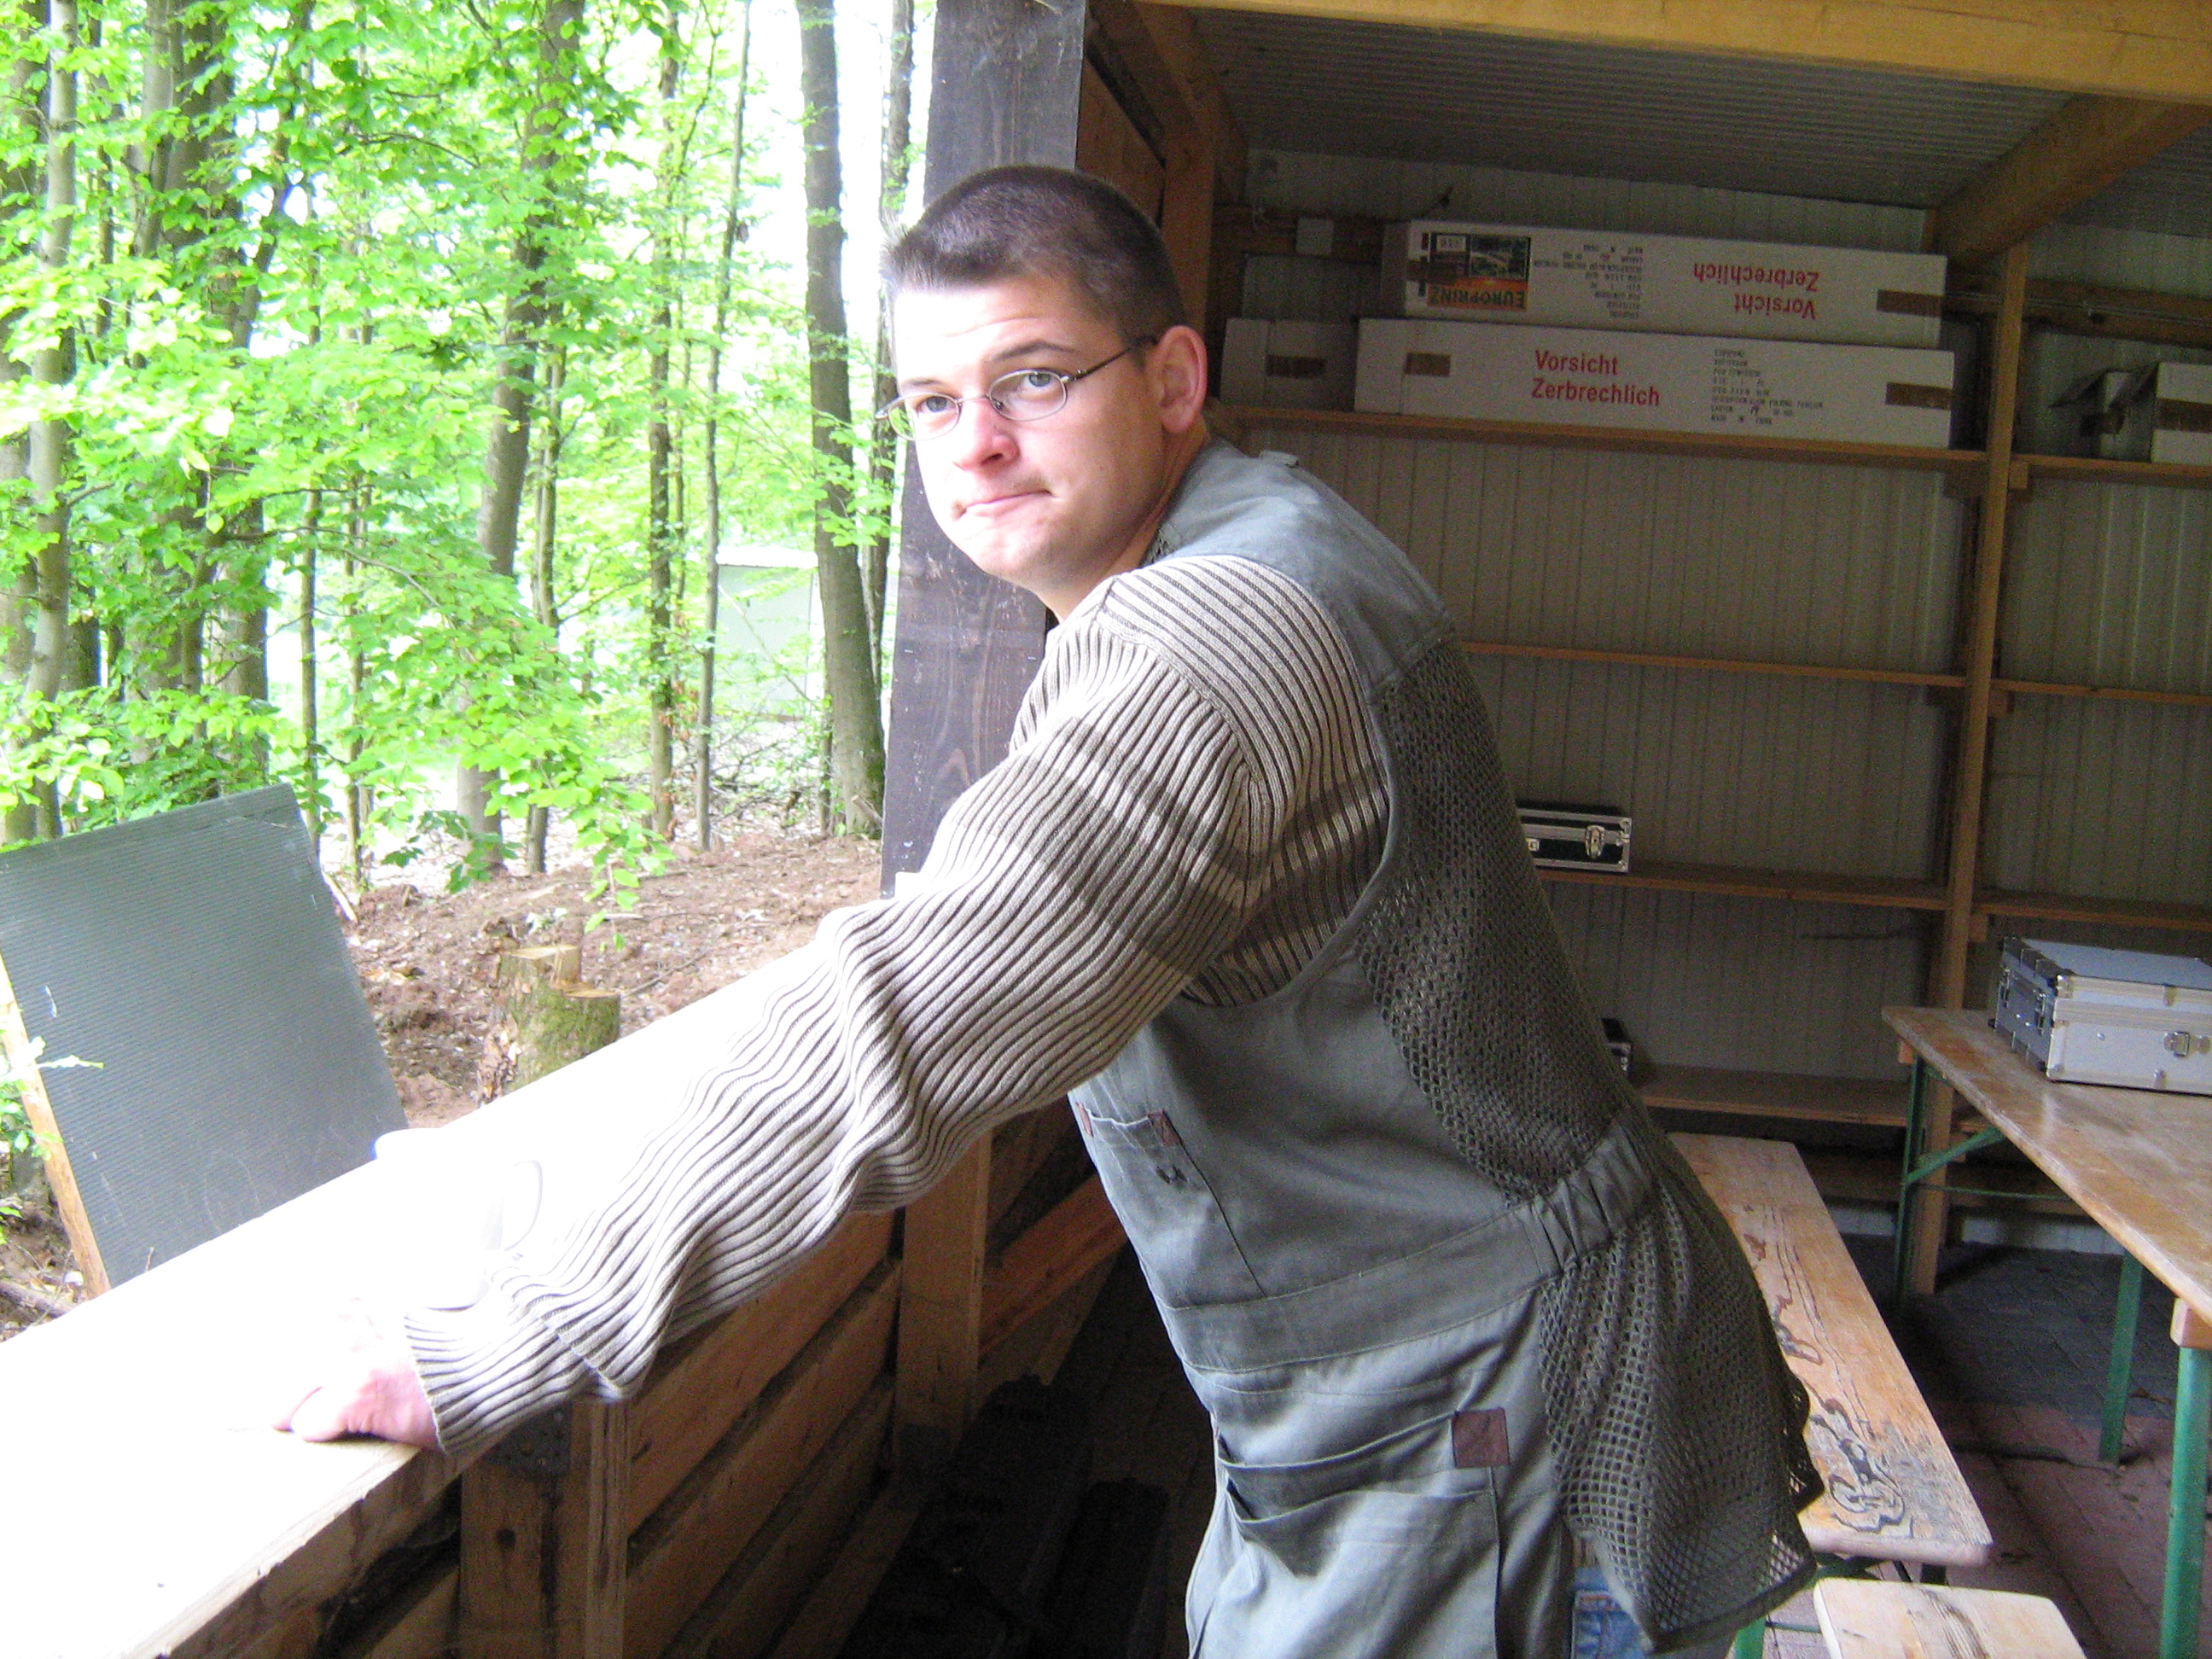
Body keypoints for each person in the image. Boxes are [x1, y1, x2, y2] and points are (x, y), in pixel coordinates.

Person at [275, 166, 1819, 1658]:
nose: (979, 447)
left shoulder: (1206, 648)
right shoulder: (1262, 536)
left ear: (1173, 378)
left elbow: (906, 1022)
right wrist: (531, 1180)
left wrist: (514, 1332)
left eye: (1033, 378)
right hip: (1448, 1363)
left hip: (1473, 1395)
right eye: (931, 403)